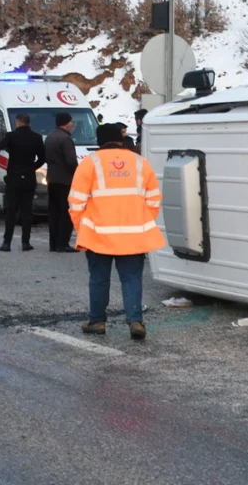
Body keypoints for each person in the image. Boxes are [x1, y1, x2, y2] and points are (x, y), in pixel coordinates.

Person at [70, 124, 165, 340]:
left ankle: (97, 322)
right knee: (131, 279)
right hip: (133, 236)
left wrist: (82, 228)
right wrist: (140, 221)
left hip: (98, 235)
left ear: (100, 141)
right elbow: (154, 200)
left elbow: (75, 202)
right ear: (120, 141)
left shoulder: (89, 163)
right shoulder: (141, 163)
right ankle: (135, 321)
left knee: (99, 279)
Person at [0, 112, 45, 252]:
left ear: (18, 122)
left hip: (13, 178)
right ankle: (26, 242)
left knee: (11, 211)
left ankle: (7, 242)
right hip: (29, 179)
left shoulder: (11, 136)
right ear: (28, 122)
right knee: (27, 211)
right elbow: (43, 158)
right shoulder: (36, 137)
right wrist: (32, 168)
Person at [44, 112, 78, 253]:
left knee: (54, 212)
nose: (72, 124)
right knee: (66, 213)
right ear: (66, 122)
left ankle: (53, 243)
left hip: (52, 179)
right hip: (65, 180)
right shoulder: (65, 139)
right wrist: (78, 174)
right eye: (71, 122)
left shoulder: (50, 136)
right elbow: (71, 161)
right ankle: (63, 243)